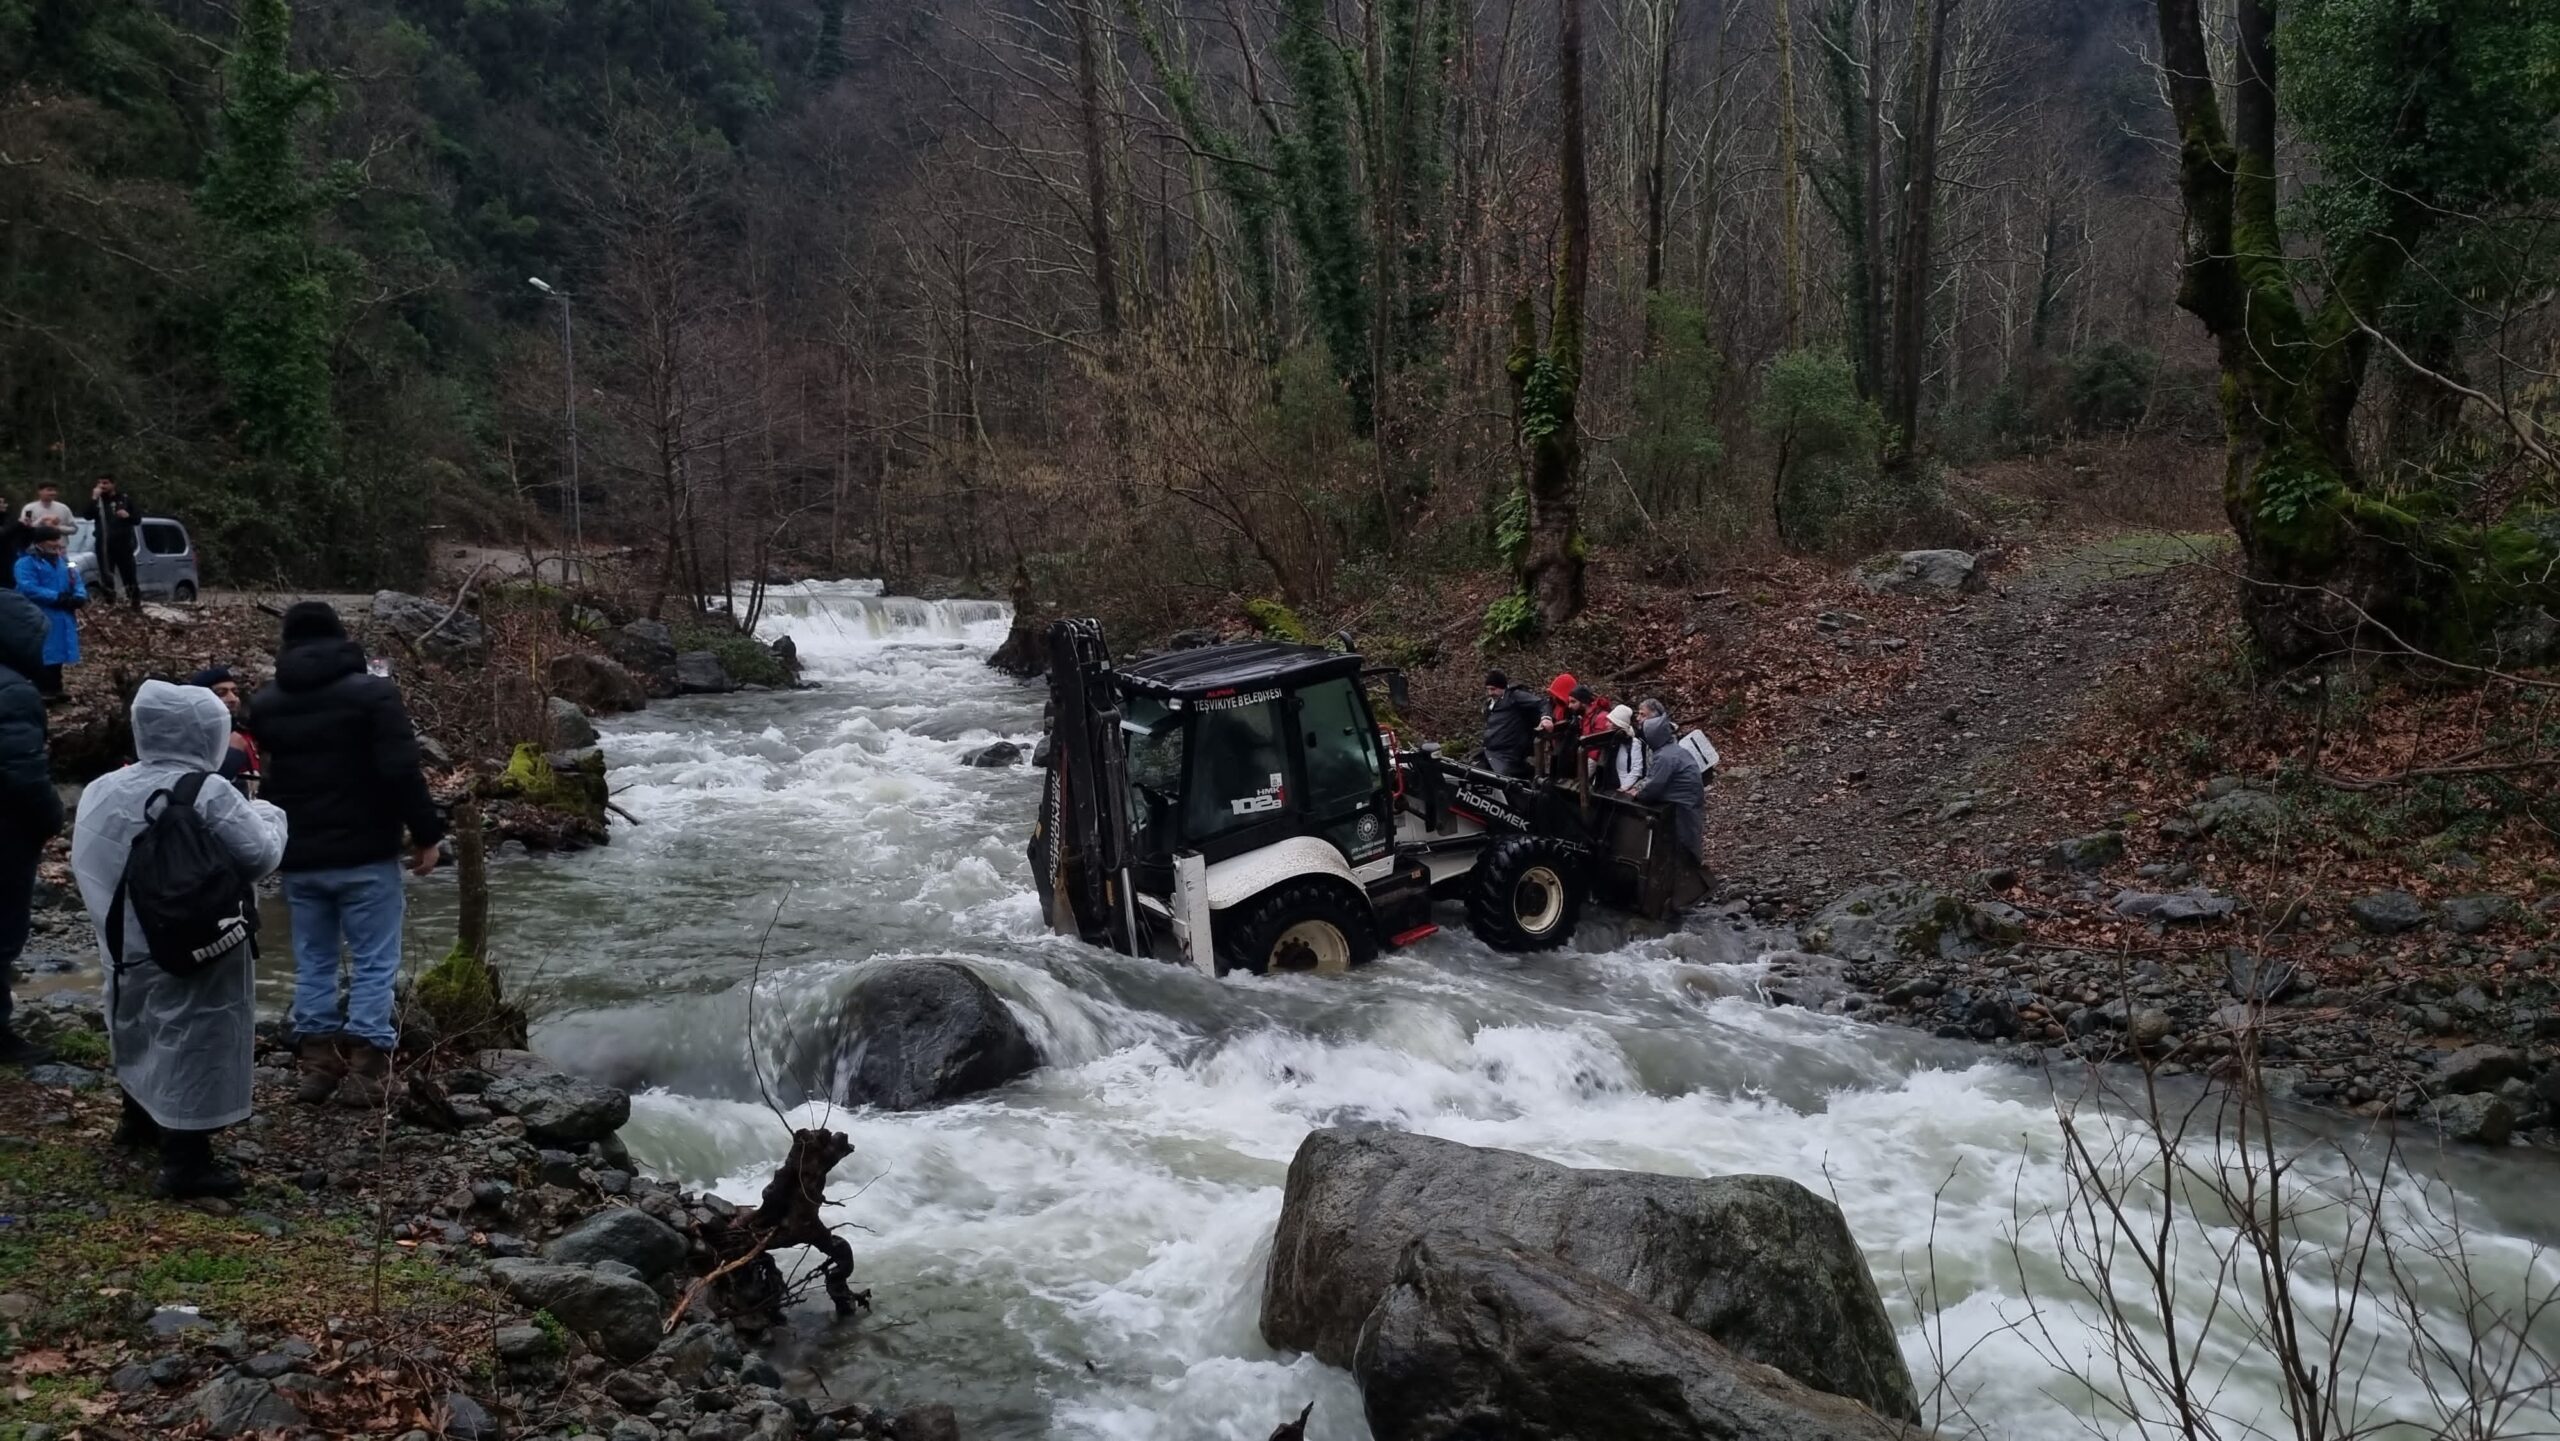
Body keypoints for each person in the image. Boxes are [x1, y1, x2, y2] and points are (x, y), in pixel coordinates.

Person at [71, 680, 288, 1198]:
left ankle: (137, 1122)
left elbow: (89, 857)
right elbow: (259, 856)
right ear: (206, 732)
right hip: (192, 937)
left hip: (123, 937)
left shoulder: (103, 787)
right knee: (196, 1037)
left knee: (133, 1021)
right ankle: (186, 1162)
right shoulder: (207, 791)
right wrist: (269, 813)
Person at [247, 602, 445, 1104]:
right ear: (340, 638)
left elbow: (265, 779)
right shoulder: (374, 694)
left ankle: (318, 1065)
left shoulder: (266, 703)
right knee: (375, 960)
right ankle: (367, 1070)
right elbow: (401, 770)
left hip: (300, 855)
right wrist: (427, 834)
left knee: (313, 959)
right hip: (366, 851)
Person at [0, 592, 64, 1067]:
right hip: (6, 833)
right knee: (3, 931)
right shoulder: (14, 692)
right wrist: (51, 817)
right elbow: (22, 771)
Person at [1622, 699, 1704, 866]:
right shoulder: (1670, 750)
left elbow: (1653, 789)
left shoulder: (1664, 757)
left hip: (1683, 803)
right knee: (1688, 834)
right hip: (1688, 799)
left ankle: (1688, 871)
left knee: (1685, 839)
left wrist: (1637, 793)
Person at [11, 528, 85, 698]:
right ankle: (43, 689)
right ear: (40, 543)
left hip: (62, 613)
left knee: (58, 651)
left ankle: (56, 687)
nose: (57, 544)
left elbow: (76, 578)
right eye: (52, 540)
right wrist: (57, 597)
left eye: (58, 540)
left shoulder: (64, 560)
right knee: (44, 652)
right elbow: (28, 587)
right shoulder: (25, 563)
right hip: (39, 614)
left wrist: (79, 596)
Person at [187, 666, 261, 797]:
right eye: (221, 693)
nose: (232, 699)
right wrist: (233, 754)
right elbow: (199, 790)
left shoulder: (245, 734)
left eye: (235, 692)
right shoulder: (193, 739)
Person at [1479, 669, 1545, 778]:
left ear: (1502, 687)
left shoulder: (1515, 697)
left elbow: (1541, 703)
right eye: (1488, 689)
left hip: (1509, 755)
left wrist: (1546, 718)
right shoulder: (1490, 704)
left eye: (1493, 689)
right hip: (1490, 752)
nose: (1490, 693)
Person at [87, 476, 140, 606]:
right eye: (99, 483)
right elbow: (87, 515)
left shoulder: (124, 499)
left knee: (128, 574)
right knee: (106, 575)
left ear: (113, 484)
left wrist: (128, 516)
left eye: (105, 483)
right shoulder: (98, 500)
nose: (102, 486)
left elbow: (137, 519)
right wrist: (94, 498)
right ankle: (110, 603)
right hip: (104, 544)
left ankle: (134, 603)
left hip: (123, 544)